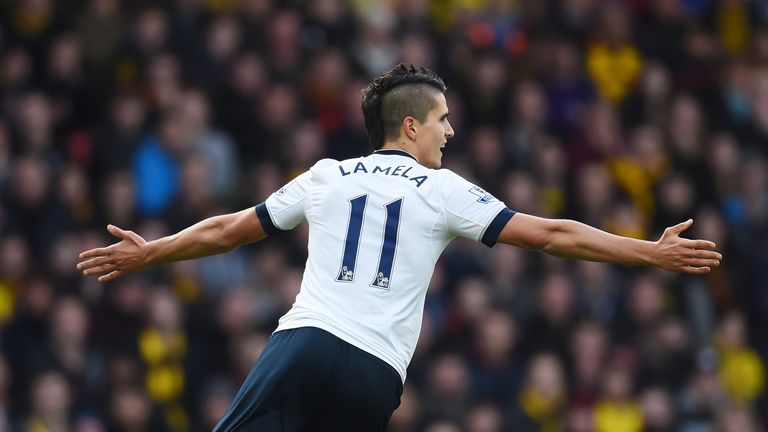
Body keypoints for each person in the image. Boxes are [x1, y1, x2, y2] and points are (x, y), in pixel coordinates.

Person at [77, 64, 722, 431]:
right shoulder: (442, 190)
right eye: (442, 118)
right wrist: (649, 253)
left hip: (304, 344)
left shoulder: (325, 174)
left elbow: (227, 231)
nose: (451, 129)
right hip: (374, 372)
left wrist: (149, 254)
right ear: (410, 125)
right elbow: (551, 234)